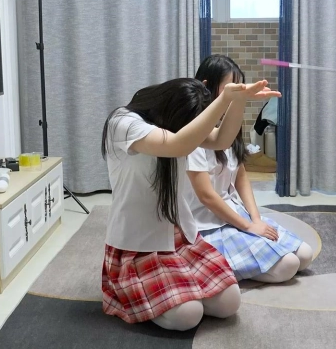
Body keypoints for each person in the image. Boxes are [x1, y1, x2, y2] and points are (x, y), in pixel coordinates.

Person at [100, 77, 280, 331]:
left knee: (229, 302)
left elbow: (222, 140)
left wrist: (237, 100)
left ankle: (176, 294)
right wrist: (224, 99)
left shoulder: (171, 124)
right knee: (188, 315)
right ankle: (128, 296)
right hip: (138, 245)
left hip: (180, 236)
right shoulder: (123, 123)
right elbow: (178, 145)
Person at [186, 55, 313, 283]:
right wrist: (247, 226)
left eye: (240, 89)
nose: (237, 96)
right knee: (288, 266)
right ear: (206, 86)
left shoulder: (229, 124)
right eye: (231, 89)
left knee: (304, 256)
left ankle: (243, 259)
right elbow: (206, 196)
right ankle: (209, 266)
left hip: (234, 212)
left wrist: (255, 219)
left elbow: (241, 176)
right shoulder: (191, 130)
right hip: (206, 222)